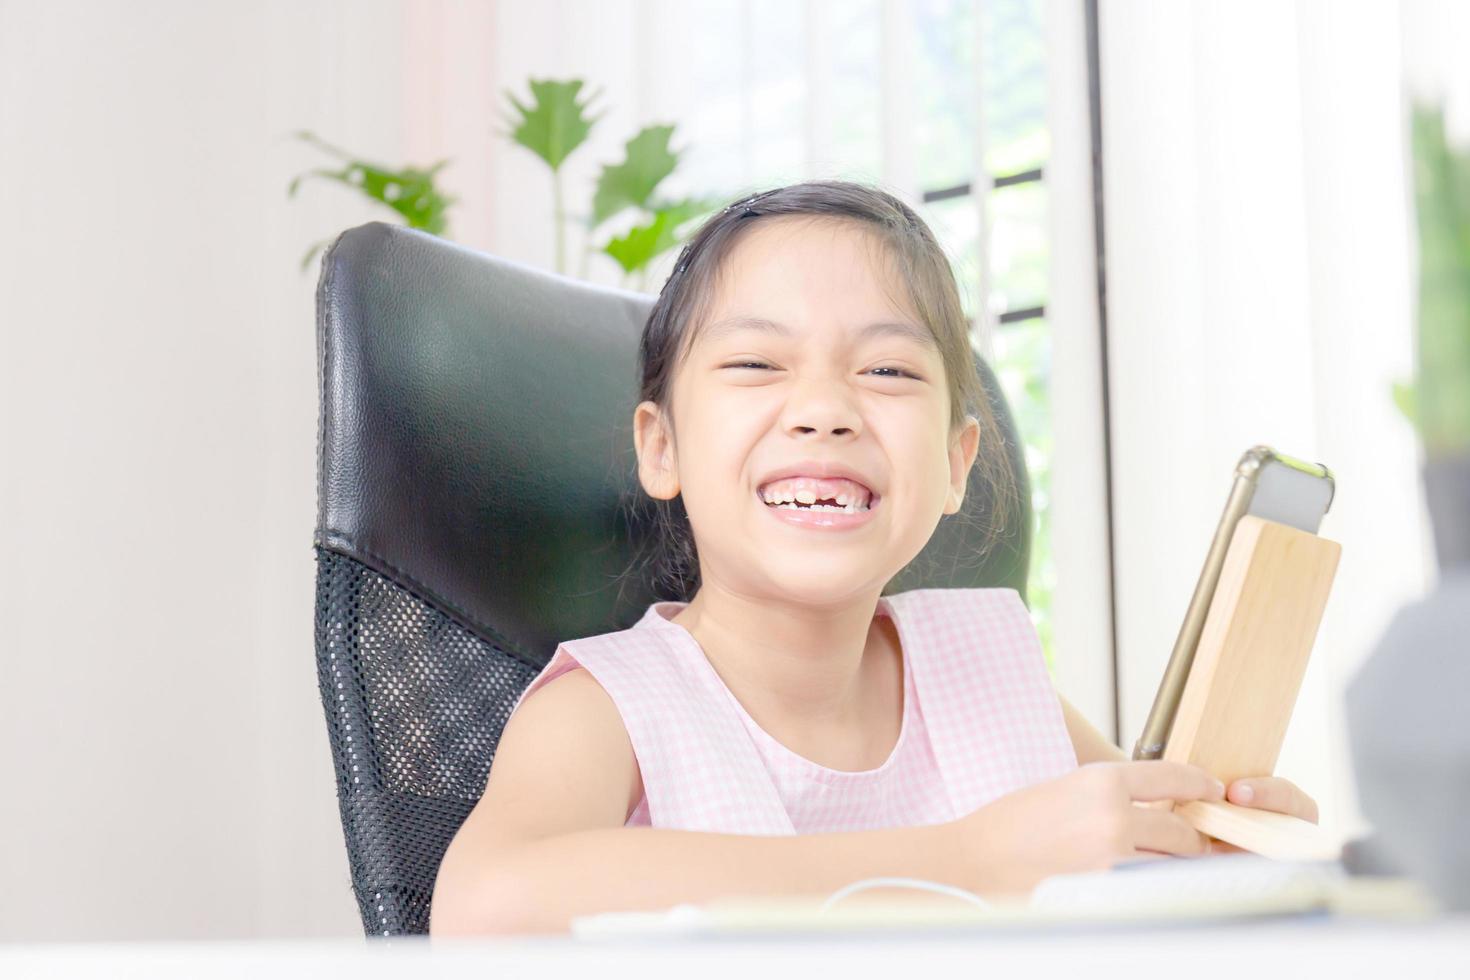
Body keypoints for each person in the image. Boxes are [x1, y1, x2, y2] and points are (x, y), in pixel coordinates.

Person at [429, 180, 1319, 936]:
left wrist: (1221, 854)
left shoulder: (992, 670)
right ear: (660, 448)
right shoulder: (611, 706)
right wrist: (962, 861)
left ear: (954, 465)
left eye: (888, 372)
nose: (824, 409)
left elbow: (1124, 861)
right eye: (755, 363)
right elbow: (484, 907)